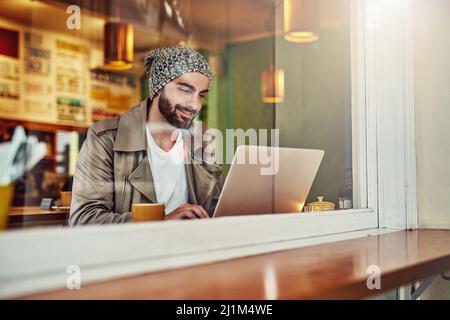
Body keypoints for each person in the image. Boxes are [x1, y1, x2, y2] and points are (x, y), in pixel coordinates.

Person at [69, 45, 223, 225]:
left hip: (192, 250)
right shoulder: (105, 139)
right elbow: (84, 219)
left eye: (201, 95)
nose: (194, 105)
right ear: (158, 88)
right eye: (185, 90)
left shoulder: (203, 141)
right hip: (137, 252)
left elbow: (217, 210)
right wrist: (162, 221)